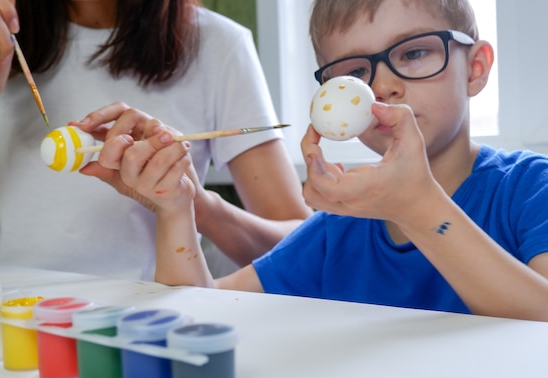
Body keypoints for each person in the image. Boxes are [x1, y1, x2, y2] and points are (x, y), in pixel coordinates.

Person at [101, 0, 548, 322]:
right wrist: (176, 207)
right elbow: (196, 317)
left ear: (475, 68)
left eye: (413, 53)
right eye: (354, 74)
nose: (383, 86)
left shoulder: (530, 190)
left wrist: (418, 207)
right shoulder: (339, 227)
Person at [0, 0, 311, 279]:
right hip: (10, 319)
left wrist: (194, 203)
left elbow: (301, 248)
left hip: (149, 325)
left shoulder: (217, 45)